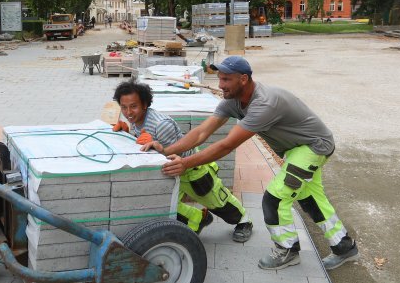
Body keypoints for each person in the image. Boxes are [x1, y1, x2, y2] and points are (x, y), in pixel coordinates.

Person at [147, 56, 359, 271]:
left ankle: (287, 250)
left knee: (275, 199)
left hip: (314, 147)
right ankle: (344, 246)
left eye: (226, 79)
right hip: (297, 150)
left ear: (244, 79)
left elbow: (226, 146)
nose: (221, 85)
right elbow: (202, 132)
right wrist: (167, 150)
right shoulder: (233, 101)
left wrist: (185, 163)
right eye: (220, 79)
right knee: (311, 198)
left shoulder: (263, 103)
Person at [112, 81, 253, 241]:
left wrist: (155, 147)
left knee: (216, 201)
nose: (129, 112)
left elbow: (176, 151)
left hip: (192, 169)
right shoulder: (136, 121)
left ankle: (244, 221)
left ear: (144, 104)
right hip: (171, 170)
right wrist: (127, 134)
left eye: (133, 106)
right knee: (165, 204)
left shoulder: (161, 125)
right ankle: (198, 218)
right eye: (124, 107)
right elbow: (147, 145)